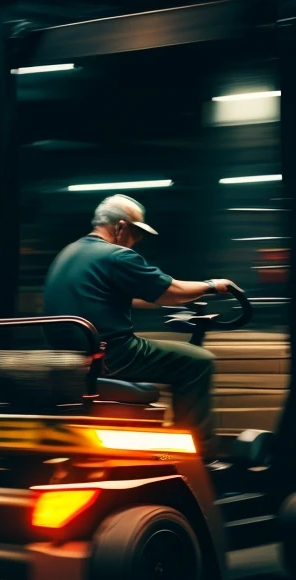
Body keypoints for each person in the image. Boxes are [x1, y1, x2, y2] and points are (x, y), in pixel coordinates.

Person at [43, 194, 238, 457]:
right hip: (112, 354)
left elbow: (116, 295)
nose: (138, 240)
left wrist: (164, 301)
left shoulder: (70, 253)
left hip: (71, 356)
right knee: (198, 361)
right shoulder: (117, 255)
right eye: (136, 232)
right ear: (121, 227)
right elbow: (174, 290)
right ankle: (198, 453)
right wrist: (213, 286)